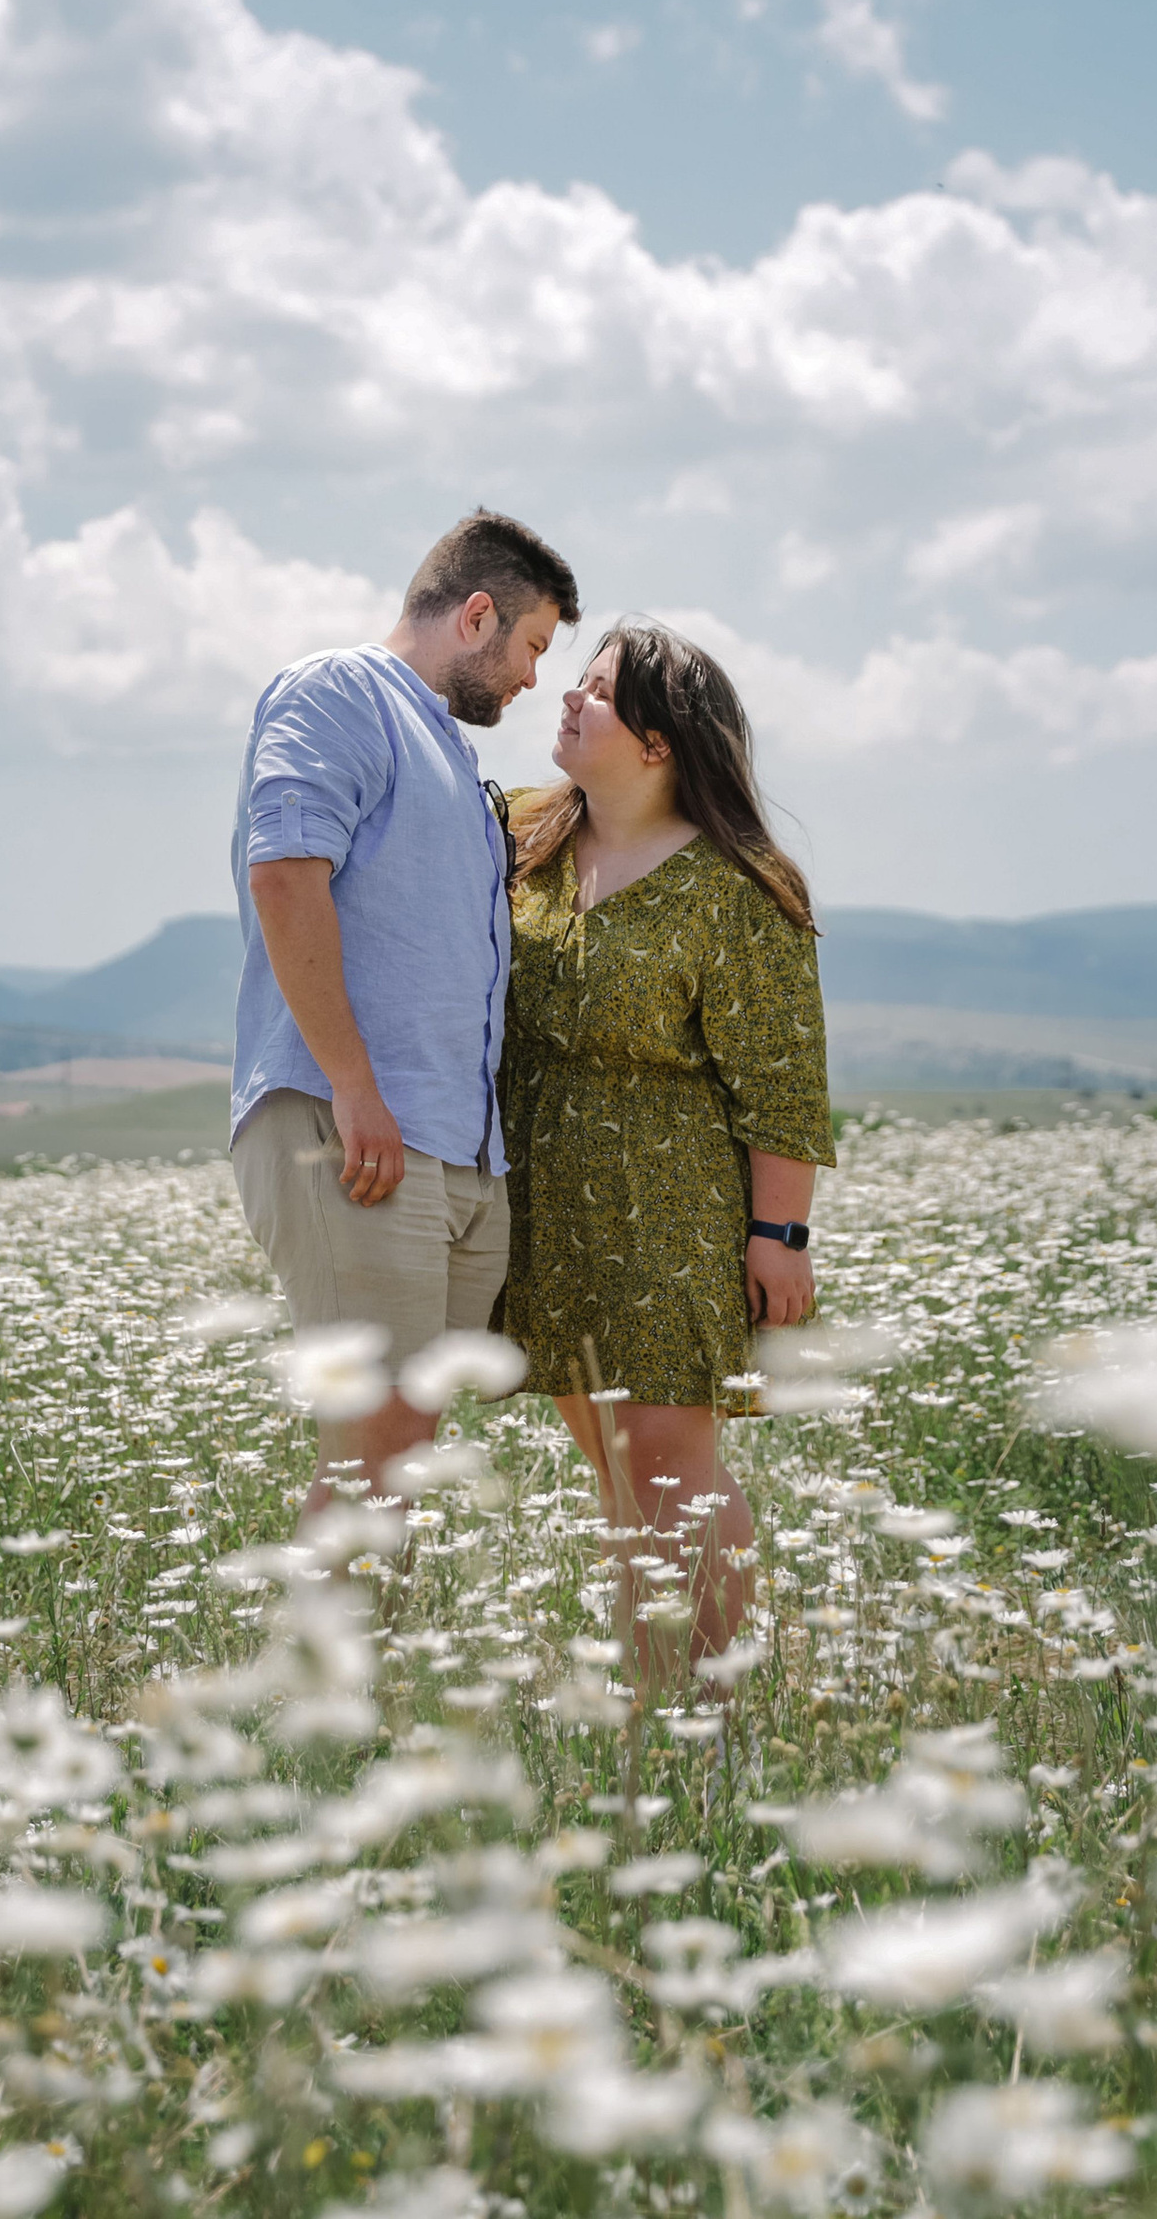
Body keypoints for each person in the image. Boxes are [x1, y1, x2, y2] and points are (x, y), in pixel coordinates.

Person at [496, 619, 833, 1687]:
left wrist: (779, 1235)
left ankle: (706, 1703)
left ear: (657, 743)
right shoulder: (519, 833)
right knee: (614, 1470)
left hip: (669, 1204)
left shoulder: (741, 888)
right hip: (540, 1203)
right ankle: (656, 1686)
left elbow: (782, 1080)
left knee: (668, 1459)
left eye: (593, 692)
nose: (564, 699)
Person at [231, 510, 581, 1519]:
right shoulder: (339, 692)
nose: (528, 681)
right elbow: (285, 877)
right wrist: (353, 1084)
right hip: (358, 1130)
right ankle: (326, 1677)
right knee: (371, 1457)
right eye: (528, 648)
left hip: (452, 1151)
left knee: (401, 1459)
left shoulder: (454, 757)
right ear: (476, 615)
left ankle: (367, 1675)